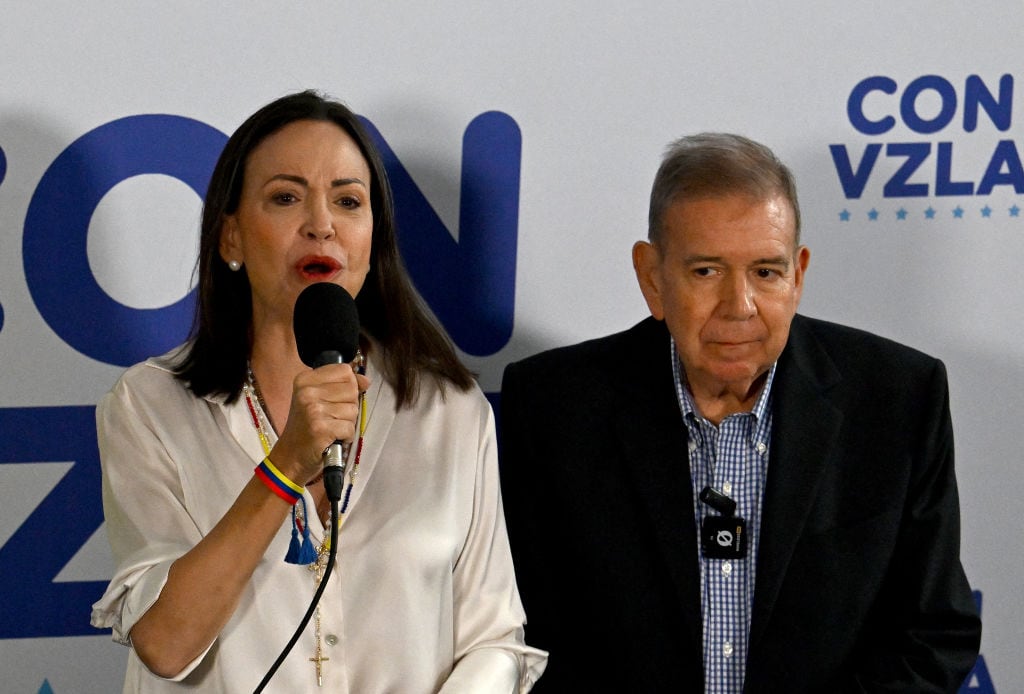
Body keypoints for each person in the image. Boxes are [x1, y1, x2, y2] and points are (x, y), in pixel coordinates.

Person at [91, 90, 546, 693]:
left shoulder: (448, 412)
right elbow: (165, 644)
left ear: (372, 238)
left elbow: (494, 642)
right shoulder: (151, 407)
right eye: (285, 198)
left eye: (348, 202)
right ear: (230, 238)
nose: (321, 225)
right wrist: (283, 468)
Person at [499, 133, 980, 692]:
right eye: (706, 271)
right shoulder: (556, 408)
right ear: (652, 277)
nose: (739, 307)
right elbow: (527, 639)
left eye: (765, 272)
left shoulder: (898, 399)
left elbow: (934, 634)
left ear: (797, 275)